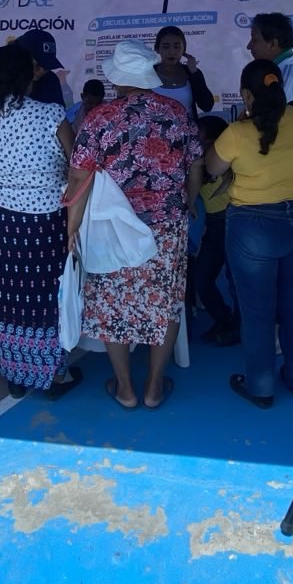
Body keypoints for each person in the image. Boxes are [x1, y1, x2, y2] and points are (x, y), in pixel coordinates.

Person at [66, 40, 203, 411]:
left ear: (116, 79)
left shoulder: (99, 118)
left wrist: (71, 227)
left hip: (113, 226)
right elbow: (195, 164)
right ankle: (154, 387)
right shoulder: (176, 112)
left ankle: (125, 389)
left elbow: (79, 178)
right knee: (166, 302)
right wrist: (189, 202)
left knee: (113, 302)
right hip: (166, 225)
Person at [0, 44, 82, 399]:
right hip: (47, 223)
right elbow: (77, 164)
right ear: (27, 76)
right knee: (49, 296)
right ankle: (53, 376)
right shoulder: (50, 115)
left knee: (10, 296)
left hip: (5, 224)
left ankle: (15, 374)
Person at [206, 60, 293, 409]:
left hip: (254, 227)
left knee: (257, 312)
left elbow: (212, 167)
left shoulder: (237, 133)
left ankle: (261, 387)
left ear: (246, 95)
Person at [189, 114, 239, 345]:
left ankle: (237, 326)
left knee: (235, 281)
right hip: (215, 225)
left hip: (234, 221)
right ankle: (224, 319)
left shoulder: (226, 163)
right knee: (203, 278)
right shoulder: (199, 163)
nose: (195, 142)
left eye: (200, 138)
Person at [0, 29, 66, 110]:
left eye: (48, 66)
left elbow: (60, 116)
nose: (42, 70)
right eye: (37, 64)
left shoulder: (51, 80)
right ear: (19, 58)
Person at [247, 12, 293, 108]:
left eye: (255, 40)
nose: (249, 46)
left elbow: (270, 115)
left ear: (273, 44)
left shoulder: (288, 77)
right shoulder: (275, 71)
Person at [152, 25, 215, 114]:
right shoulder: (148, 73)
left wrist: (194, 73)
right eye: (166, 47)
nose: (172, 52)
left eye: (177, 47)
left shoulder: (192, 73)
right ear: (157, 49)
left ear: (184, 49)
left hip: (189, 123)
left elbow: (207, 106)